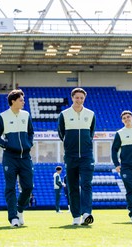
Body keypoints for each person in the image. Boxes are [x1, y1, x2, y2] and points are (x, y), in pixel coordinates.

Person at [0, 89, 34, 227]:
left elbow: (31, 132)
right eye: (21, 100)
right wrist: (7, 145)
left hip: (25, 157)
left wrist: (29, 143)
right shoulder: (3, 116)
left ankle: (20, 209)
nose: (24, 102)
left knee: (28, 187)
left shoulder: (26, 115)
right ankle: (13, 218)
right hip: (10, 158)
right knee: (10, 187)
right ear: (13, 101)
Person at [58, 87, 96, 226]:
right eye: (77, 97)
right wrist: (69, 145)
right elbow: (61, 133)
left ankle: (86, 213)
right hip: (71, 156)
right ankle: (75, 216)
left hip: (86, 156)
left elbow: (91, 133)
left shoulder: (90, 114)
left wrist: (85, 145)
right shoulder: (64, 114)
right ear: (72, 98)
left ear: (84, 99)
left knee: (86, 184)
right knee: (72, 186)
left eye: (81, 98)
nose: (79, 100)